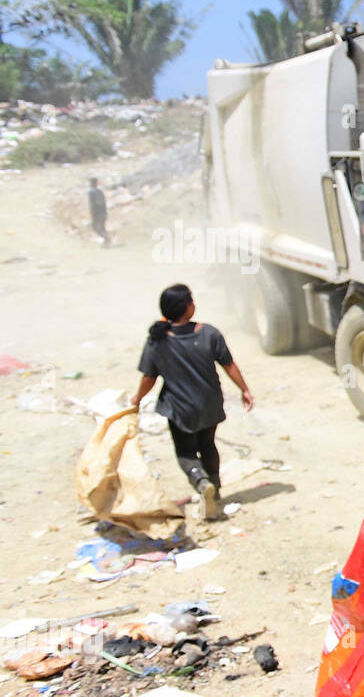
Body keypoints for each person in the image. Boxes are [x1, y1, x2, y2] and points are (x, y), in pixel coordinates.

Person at [130, 284, 253, 520]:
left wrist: (137, 399)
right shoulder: (208, 333)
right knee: (208, 444)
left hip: (180, 408)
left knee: (186, 452)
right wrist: (244, 389)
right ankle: (214, 491)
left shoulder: (158, 340)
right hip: (210, 403)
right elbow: (229, 364)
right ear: (187, 307)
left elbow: (149, 377)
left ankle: (200, 480)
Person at [88, 178, 110, 246]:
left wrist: (91, 212)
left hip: (96, 212)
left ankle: (106, 238)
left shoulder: (91, 192)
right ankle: (106, 242)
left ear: (91, 183)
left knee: (95, 227)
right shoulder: (100, 191)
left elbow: (92, 203)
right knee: (102, 227)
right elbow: (104, 201)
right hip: (103, 211)